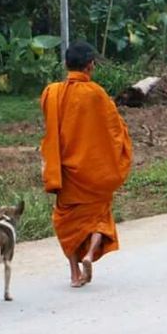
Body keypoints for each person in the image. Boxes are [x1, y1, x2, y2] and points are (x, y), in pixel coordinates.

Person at [39, 41, 133, 288]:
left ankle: (73, 273)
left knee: (65, 220)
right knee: (99, 215)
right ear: (90, 65)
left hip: (66, 172)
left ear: (66, 64)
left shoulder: (52, 93)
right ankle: (90, 254)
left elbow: (49, 125)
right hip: (95, 172)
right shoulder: (97, 94)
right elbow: (115, 129)